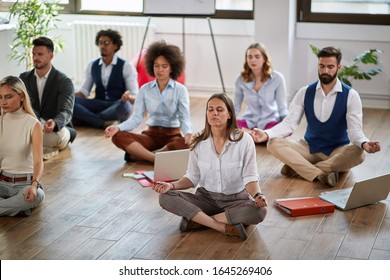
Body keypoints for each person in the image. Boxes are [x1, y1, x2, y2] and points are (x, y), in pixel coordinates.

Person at [250, 46, 381, 187]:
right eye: (322, 66)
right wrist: (266, 134)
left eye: (330, 67)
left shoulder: (351, 95)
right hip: (308, 147)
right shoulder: (304, 92)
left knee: (358, 152)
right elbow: (289, 123)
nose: (325, 71)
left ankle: (299, 169)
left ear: (339, 67)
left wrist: (365, 143)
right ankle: (321, 173)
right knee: (273, 143)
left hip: (337, 151)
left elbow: (355, 131)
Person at [152, 93, 267, 240]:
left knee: (260, 211)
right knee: (165, 197)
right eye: (210, 109)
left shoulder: (244, 140)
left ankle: (198, 220)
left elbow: (250, 177)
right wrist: (172, 186)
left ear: (229, 114)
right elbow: (192, 177)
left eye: (219, 109)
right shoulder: (198, 141)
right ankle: (220, 225)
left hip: (237, 201)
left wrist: (258, 195)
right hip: (206, 199)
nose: (214, 113)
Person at [104, 40, 192, 163]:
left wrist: (188, 133)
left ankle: (139, 155)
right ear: (152, 66)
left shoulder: (181, 90)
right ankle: (156, 159)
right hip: (150, 136)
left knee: (187, 143)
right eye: (156, 65)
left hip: (172, 137)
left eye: (164, 66)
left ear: (172, 68)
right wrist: (117, 128)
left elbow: (184, 118)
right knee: (118, 136)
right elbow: (136, 119)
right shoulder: (144, 89)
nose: (160, 70)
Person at [20, 36, 76, 160]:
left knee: (55, 136)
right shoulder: (24, 79)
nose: (35, 57)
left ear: (51, 56)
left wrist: (55, 123)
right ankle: (43, 151)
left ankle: (31, 151)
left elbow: (66, 111)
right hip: (31, 127)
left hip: (56, 130)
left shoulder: (64, 81)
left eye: (40, 54)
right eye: (33, 54)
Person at [73, 29, 139, 129]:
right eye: (100, 43)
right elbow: (84, 92)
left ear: (115, 46)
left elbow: (135, 96)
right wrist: (68, 95)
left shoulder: (126, 66)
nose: (102, 46)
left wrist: (128, 97)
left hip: (117, 105)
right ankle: (102, 123)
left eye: (106, 43)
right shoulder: (92, 65)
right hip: (98, 103)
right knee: (71, 102)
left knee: (125, 107)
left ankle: (88, 119)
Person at [0, 76, 45, 216]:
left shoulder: (33, 124)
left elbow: (38, 161)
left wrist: (34, 185)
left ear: (21, 96)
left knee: (36, 195)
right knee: (21, 203)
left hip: (25, 184)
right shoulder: (0, 121)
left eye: (8, 97)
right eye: (0, 97)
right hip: (2, 182)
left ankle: (15, 206)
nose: (3, 102)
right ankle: (14, 208)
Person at [234, 43, 288, 133]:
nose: (253, 60)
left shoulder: (277, 78)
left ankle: (253, 136)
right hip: (249, 122)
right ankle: (254, 136)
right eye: (249, 57)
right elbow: (236, 106)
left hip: (270, 122)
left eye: (257, 56)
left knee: (281, 129)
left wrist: (287, 124)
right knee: (229, 127)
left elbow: (282, 107)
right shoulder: (240, 80)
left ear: (264, 58)